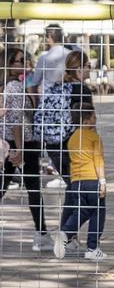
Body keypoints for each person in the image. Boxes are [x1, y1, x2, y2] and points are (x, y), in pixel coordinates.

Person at [27, 46, 92, 252]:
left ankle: (67, 235)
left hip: (54, 144)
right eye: (87, 66)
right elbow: (88, 123)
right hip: (74, 145)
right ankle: (66, 235)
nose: (90, 69)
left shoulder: (55, 87)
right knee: (82, 190)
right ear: (79, 69)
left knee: (74, 187)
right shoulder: (82, 90)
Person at [56, 92, 109, 263]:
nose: (96, 119)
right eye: (94, 117)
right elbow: (98, 160)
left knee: (83, 210)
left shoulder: (71, 139)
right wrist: (102, 181)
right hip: (92, 179)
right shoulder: (94, 137)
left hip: (76, 181)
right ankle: (92, 248)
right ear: (86, 120)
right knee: (98, 212)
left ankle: (65, 232)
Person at [0, 47, 27, 206]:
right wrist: (20, 148)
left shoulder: (6, 86)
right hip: (9, 144)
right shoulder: (15, 86)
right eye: (20, 61)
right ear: (9, 63)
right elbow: (16, 120)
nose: (25, 63)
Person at [26, 23, 67, 102]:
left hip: (48, 98)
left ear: (49, 37)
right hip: (67, 96)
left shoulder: (44, 56)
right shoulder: (70, 54)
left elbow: (36, 80)